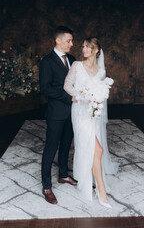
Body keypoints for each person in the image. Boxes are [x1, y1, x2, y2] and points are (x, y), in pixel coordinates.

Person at [64, 37, 119, 208]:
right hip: (80, 112)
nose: (84, 49)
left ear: (96, 50)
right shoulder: (77, 66)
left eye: (88, 47)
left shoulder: (101, 71)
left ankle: (94, 184)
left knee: (93, 149)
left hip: (92, 114)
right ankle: (101, 190)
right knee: (98, 149)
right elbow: (67, 85)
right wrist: (81, 95)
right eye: (83, 47)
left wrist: (97, 100)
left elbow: (102, 92)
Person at [39, 26, 77, 205]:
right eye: (69, 40)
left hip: (72, 113)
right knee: (50, 148)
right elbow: (45, 88)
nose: (72, 44)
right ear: (58, 41)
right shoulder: (47, 62)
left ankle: (63, 175)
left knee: (66, 146)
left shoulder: (72, 59)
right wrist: (69, 97)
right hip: (56, 113)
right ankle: (46, 186)